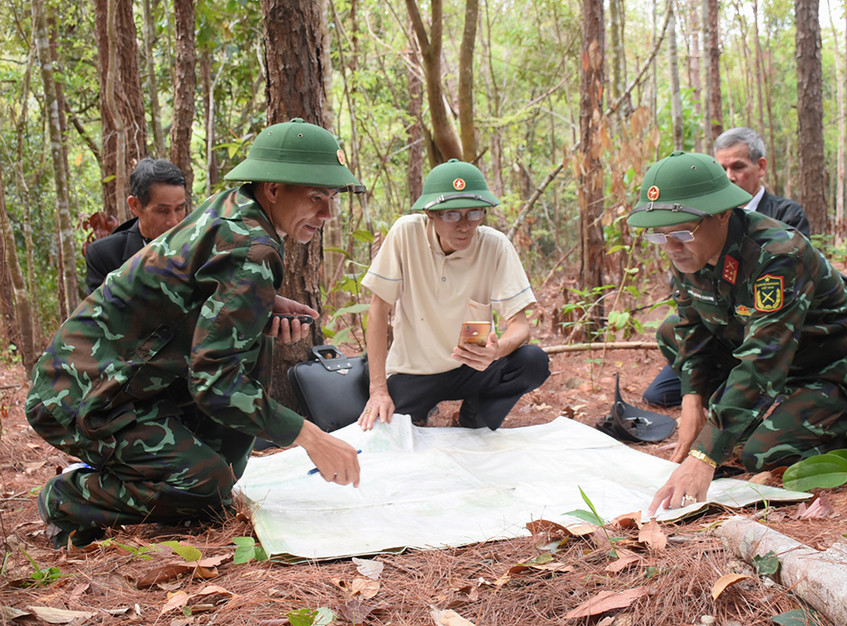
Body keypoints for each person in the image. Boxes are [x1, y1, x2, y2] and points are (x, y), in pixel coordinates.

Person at [27, 118, 364, 549]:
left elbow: (197, 298)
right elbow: (215, 383)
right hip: (82, 395)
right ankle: (70, 498)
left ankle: (170, 486)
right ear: (274, 189)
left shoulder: (236, 208)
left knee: (223, 470)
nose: (326, 214)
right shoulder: (253, 248)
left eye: (331, 197)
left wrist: (260, 307)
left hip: (132, 382)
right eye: (316, 197)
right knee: (207, 486)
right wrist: (312, 437)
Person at [623, 151, 847, 515]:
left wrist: (705, 453)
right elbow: (691, 328)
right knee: (671, 331)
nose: (671, 247)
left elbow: (762, 360)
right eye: (659, 235)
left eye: (683, 231)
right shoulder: (689, 253)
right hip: (770, 356)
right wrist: (692, 403)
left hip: (830, 365)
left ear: (721, 213)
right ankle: (759, 411)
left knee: (762, 454)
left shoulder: (777, 254)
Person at [357, 159, 550, 432]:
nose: (464, 225)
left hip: (473, 367)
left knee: (533, 362)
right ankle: (421, 409)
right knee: (390, 427)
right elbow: (378, 310)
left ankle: (475, 415)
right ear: (430, 214)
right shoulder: (405, 234)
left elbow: (520, 325)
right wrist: (378, 389)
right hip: (415, 372)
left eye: (474, 213)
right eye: (451, 214)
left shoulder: (495, 246)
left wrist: (496, 351)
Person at [642, 127, 811, 408]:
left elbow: (782, 297)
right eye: (722, 168)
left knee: (766, 444)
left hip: (773, 330)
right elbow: (690, 300)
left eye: (738, 167)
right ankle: (728, 393)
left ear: (760, 167)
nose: (730, 176)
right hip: (726, 328)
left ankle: (753, 398)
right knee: (660, 389)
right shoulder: (686, 230)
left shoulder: (785, 218)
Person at [85, 158, 188, 293]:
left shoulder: (199, 246)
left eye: (179, 209)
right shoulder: (106, 256)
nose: (174, 221)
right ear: (135, 205)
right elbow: (97, 311)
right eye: (163, 211)